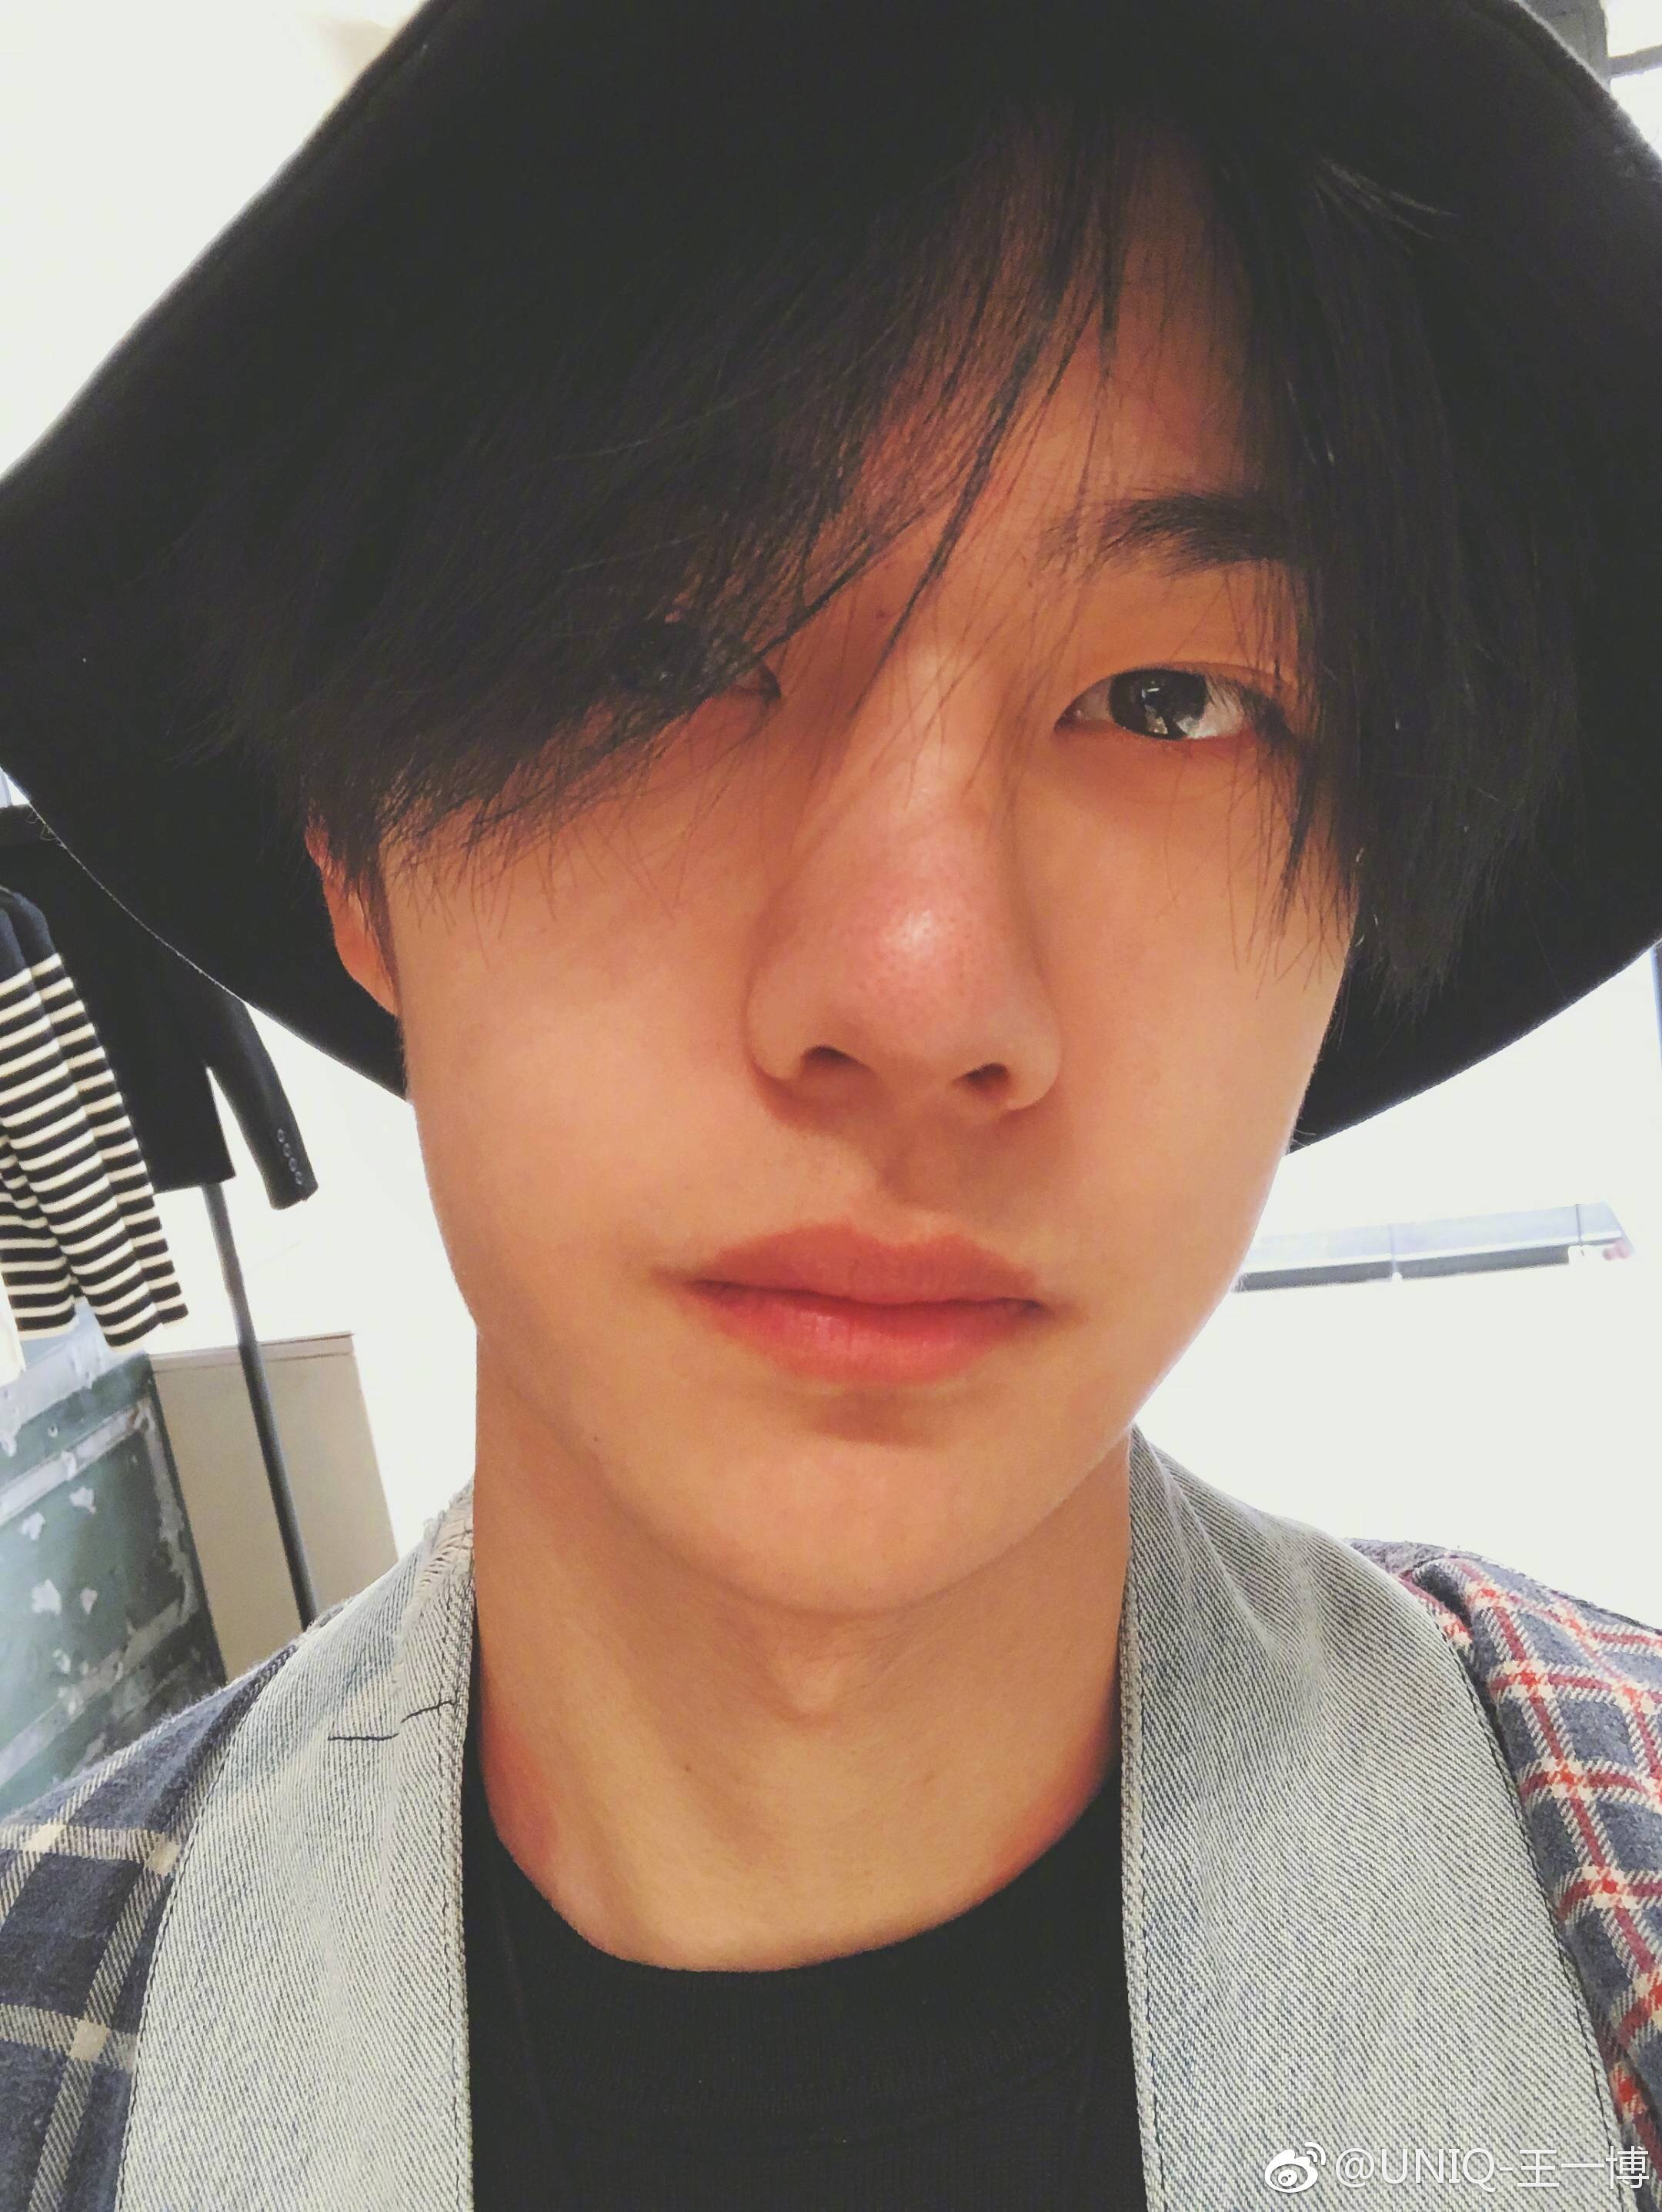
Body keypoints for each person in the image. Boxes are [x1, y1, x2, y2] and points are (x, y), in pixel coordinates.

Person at [1, 0, 1660, 2205]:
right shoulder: (52, 2051)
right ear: (351, 847)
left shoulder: (1617, 1899)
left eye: (1174, 694)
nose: (921, 989)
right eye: (661, 650)